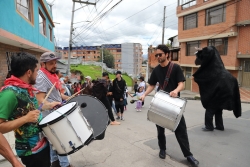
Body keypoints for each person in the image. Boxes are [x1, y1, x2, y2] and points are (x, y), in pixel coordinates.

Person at [140, 45, 199, 166]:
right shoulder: (156, 70)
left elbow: (181, 84)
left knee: (180, 130)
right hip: (160, 103)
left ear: (167, 54)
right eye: (156, 55)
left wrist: (176, 91)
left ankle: (188, 155)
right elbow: (151, 84)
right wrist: (144, 94)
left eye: (160, 54)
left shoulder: (175, 68)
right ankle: (162, 149)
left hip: (174, 104)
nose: (158, 57)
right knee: (160, 130)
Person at [0, 52, 58, 167]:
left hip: (42, 145)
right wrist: (26, 119)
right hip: (30, 151)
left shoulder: (26, 88)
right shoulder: (9, 93)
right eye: (37, 70)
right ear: (29, 72)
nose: (38, 74)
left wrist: (49, 105)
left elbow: (30, 109)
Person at [34, 52, 71, 167]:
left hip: (55, 115)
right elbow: (39, 99)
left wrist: (69, 98)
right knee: (60, 141)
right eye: (51, 63)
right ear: (43, 64)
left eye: (55, 62)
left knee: (54, 143)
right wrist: (51, 105)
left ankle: (55, 163)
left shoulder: (51, 75)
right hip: (49, 117)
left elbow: (57, 96)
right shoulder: (41, 77)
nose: (55, 65)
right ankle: (65, 165)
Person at [193, 46, 241, 131]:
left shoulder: (212, 64)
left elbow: (210, 50)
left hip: (220, 89)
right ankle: (219, 126)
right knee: (218, 108)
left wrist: (202, 50)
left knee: (210, 108)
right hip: (225, 88)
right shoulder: (216, 64)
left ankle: (209, 126)